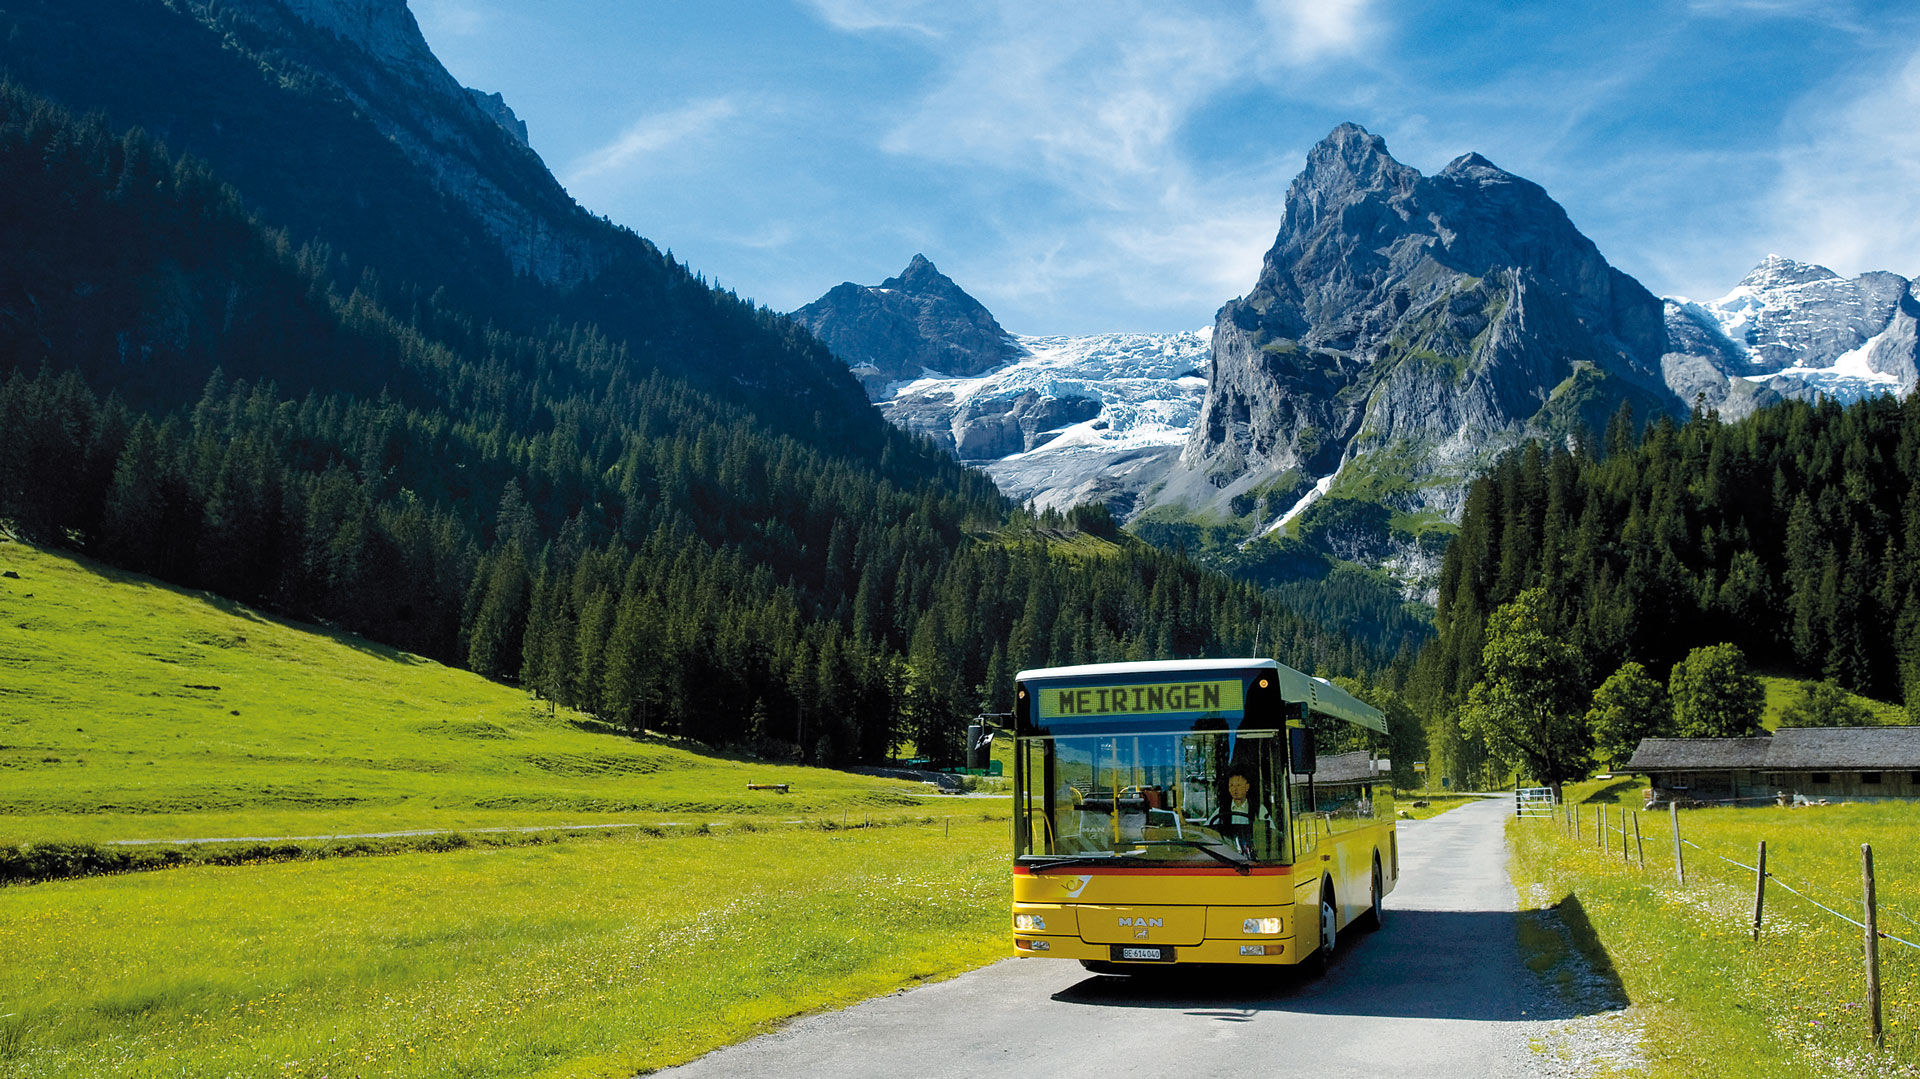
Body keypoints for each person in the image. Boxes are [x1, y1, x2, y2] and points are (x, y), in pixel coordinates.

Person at [1209, 769, 1271, 854]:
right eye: (1231, 786)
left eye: (1238, 785)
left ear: (1247, 787)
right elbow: (1208, 831)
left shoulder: (1259, 810)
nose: (1235, 789)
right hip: (1228, 854)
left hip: (1253, 854)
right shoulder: (1221, 810)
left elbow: (1271, 833)